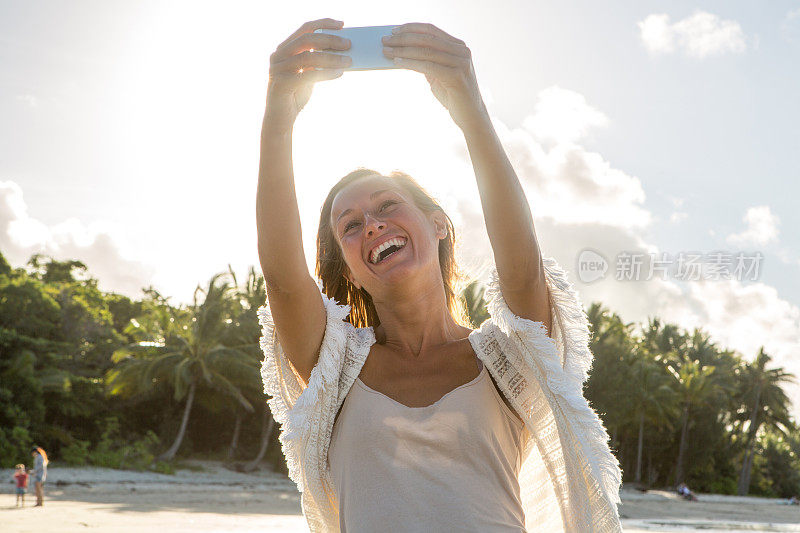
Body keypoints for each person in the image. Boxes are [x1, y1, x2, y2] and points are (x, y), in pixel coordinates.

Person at [257, 17, 623, 532]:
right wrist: (279, 116)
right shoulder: (331, 367)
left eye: (387, 205)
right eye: (351, 225)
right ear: (350, 272)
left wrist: (468, 104)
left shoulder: (508, 359)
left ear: (438, 225)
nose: (373, 224)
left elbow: (522, 266)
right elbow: (282, 277)